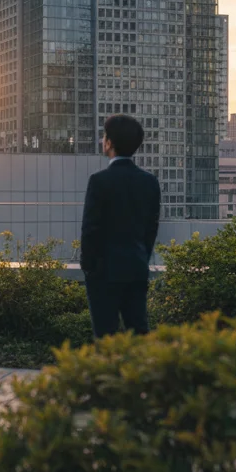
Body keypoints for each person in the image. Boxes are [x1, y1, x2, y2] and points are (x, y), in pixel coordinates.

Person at [79, 113, 161, 338]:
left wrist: (88, 266)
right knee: (139, 332)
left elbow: (90, 229)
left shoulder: (99, 181)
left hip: (104, 271)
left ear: (109, 143)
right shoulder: (149, 181)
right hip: (136, 266)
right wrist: (142, 256)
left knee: (105, 336)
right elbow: (151, 228)